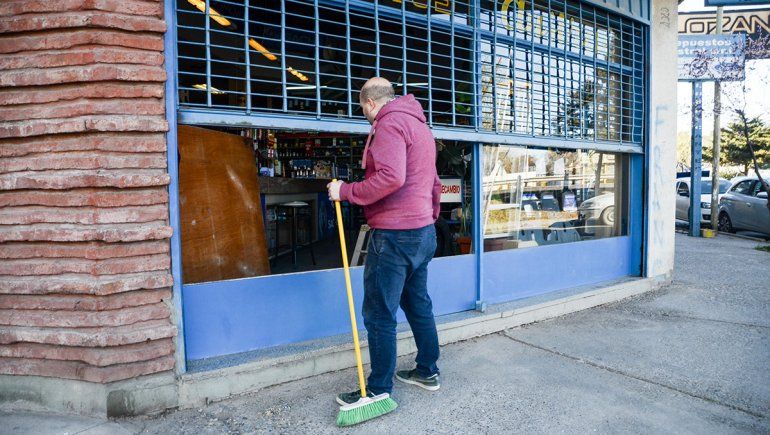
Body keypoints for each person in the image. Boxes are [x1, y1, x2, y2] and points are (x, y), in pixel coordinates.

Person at [327, 77, 442, 405]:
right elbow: (433, 182)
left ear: (370, 103)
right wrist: (428, 219)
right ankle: (427, 370)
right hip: (422, 231)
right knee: (417, 302)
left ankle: (377, 390)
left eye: (363, 107)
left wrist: (345, 191)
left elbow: (392, 176)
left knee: (379, 313)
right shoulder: (421, 127)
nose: (365, 113)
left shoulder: (388, 124)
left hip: (394, 236)